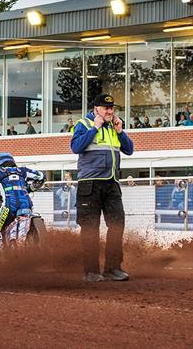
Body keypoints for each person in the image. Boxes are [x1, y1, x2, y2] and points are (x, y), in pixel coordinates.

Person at [70, 93, 134, 282]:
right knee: (90, 228)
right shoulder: (84, 124)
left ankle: (113, 268)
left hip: (112, 183)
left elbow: (129, 149)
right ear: (96, 109)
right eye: (106, 108)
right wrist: (95, 128)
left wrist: (121, 131)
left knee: (117, 224)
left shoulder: (114, 126)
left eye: (112, 108)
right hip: (90, 184)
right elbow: (76, 147)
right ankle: (91, 271)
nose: (110, 111)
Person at [0, 152, 45, 251]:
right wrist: (30, 188)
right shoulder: (23, 171)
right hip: (27, 205)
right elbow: (42, 177)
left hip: (9, 207)